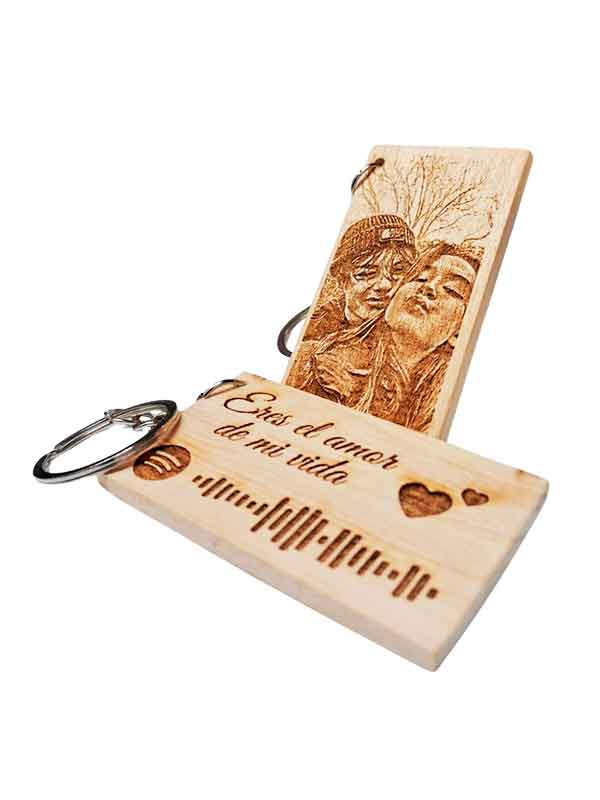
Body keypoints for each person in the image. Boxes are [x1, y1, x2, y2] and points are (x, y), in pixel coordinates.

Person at [299, 242, 481, 433]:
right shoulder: (312, 360)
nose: (429, 287)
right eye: (421, 278)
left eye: (452, 290)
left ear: (458, 333)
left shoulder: (445, 409)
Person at [302, 214, 416, 339]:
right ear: (342, 280)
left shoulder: (419, 332)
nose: (385, 285)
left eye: (399, 270)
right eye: (367, 273)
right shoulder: (312, 335)